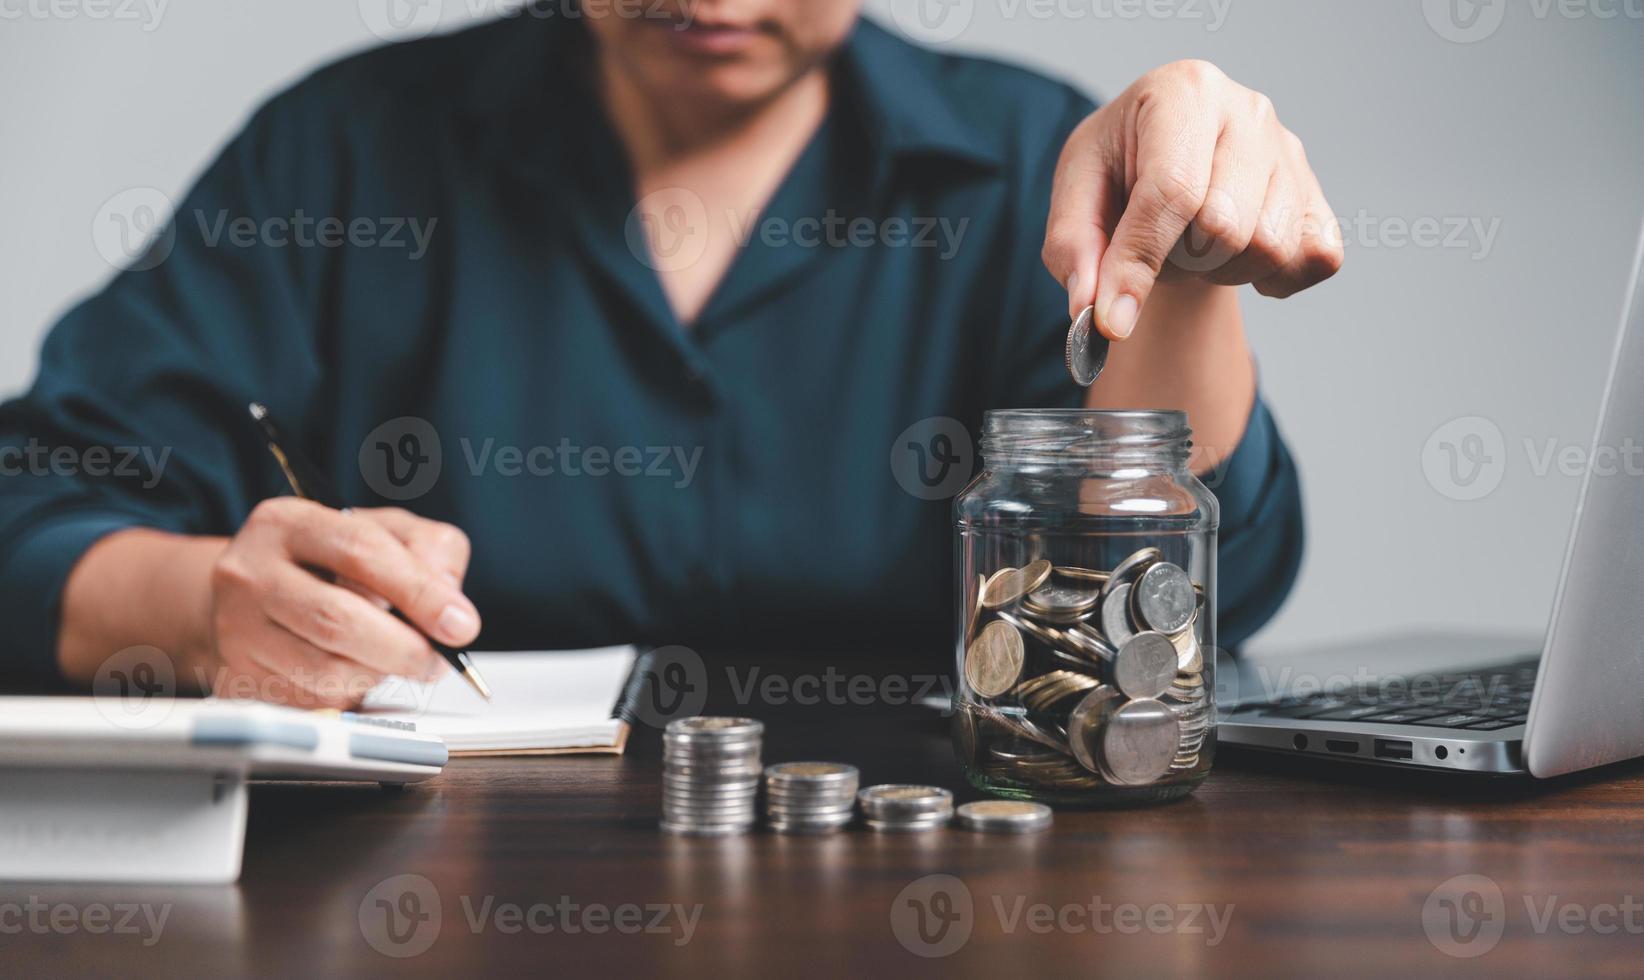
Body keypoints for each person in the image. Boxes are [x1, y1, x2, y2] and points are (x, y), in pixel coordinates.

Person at [0, 2, 1340, 707]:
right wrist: (209, 606)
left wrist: (1179, 268)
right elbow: (31, 504)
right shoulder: (340, 153)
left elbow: (1186, 605)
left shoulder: (1025, 161)